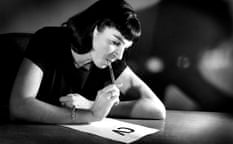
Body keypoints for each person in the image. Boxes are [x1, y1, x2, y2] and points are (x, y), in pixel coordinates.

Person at [9, 0, 166, 124]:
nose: (119, 55)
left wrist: (93, 105)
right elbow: (19, 106)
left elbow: (157, 109)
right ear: (95, 29)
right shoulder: (48, 39)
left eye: (125, 48)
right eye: (116, 42)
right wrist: (91, 115)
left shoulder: (111, 60)